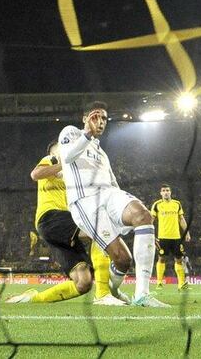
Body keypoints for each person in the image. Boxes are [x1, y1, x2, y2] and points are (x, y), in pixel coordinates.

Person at [60, 101, 168, 307]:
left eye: (103, 119)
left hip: (109, 194)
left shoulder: (102, 153)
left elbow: (113, 183)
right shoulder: (71, 133)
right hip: (86, 202)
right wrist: (87, 134)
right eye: (95, 117)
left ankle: (142, 295)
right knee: (122, 260)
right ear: (85, 119)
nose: (100, 122)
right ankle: (112, 291)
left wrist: (145, 231)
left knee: (144, 216)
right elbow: (67, 157)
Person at [6, 140, 126, 305]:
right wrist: (62, 165)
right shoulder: (51, 160)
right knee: (100, 229)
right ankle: (104, 293)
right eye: (60, 149)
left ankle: (34, 298)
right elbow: (35, 174)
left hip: (61, 228)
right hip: (51, 217)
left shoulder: (73, 176)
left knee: (83, 282)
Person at [151, 184, 190, 290]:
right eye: (163, 190)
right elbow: (151, 220)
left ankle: (181, 284)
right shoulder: (157, 205)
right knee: (161, 258)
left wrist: (187, 232)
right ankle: (159, 282)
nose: (166, 192)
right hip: (162, 237)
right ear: (160, 193)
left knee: (179, 259)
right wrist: (151, 235)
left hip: (176, 237)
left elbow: (181, 219)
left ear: (170, 192)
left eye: (167, 190)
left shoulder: (177, 204)